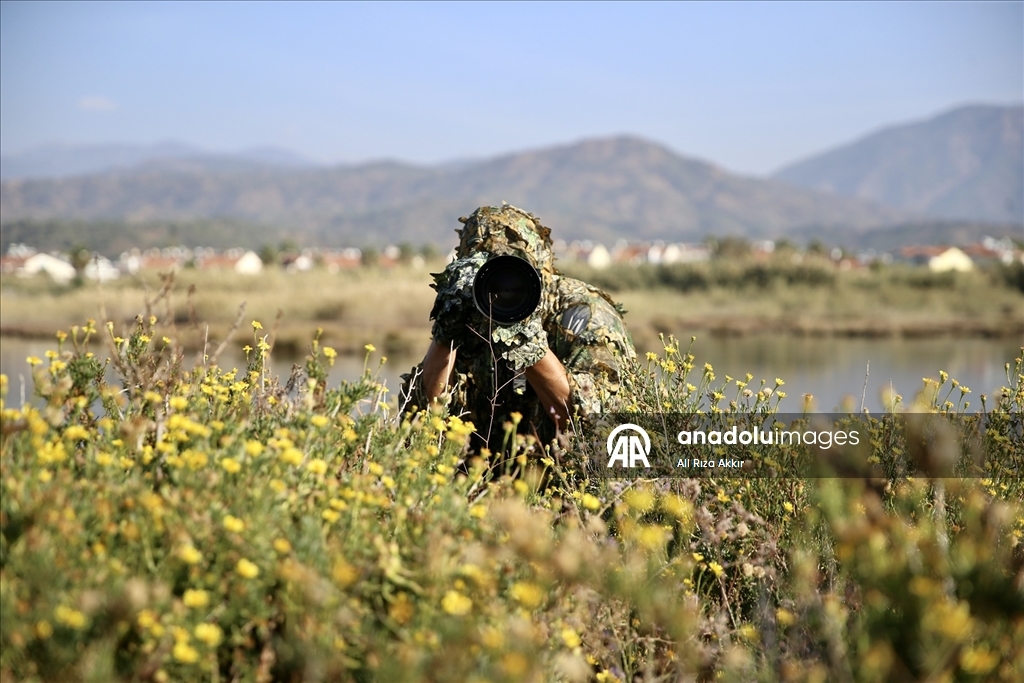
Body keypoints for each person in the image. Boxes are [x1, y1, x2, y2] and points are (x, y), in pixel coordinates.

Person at [400, 204, 636, 455]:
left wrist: (526, 342)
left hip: (556, 475)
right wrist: (447, 331)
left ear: (540, 271)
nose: (503, 288)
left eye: (514, 272)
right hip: (477, 473)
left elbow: (596, 427)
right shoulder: (470, 307)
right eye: (490, 271)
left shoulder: (581, 312)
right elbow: (422, 419)